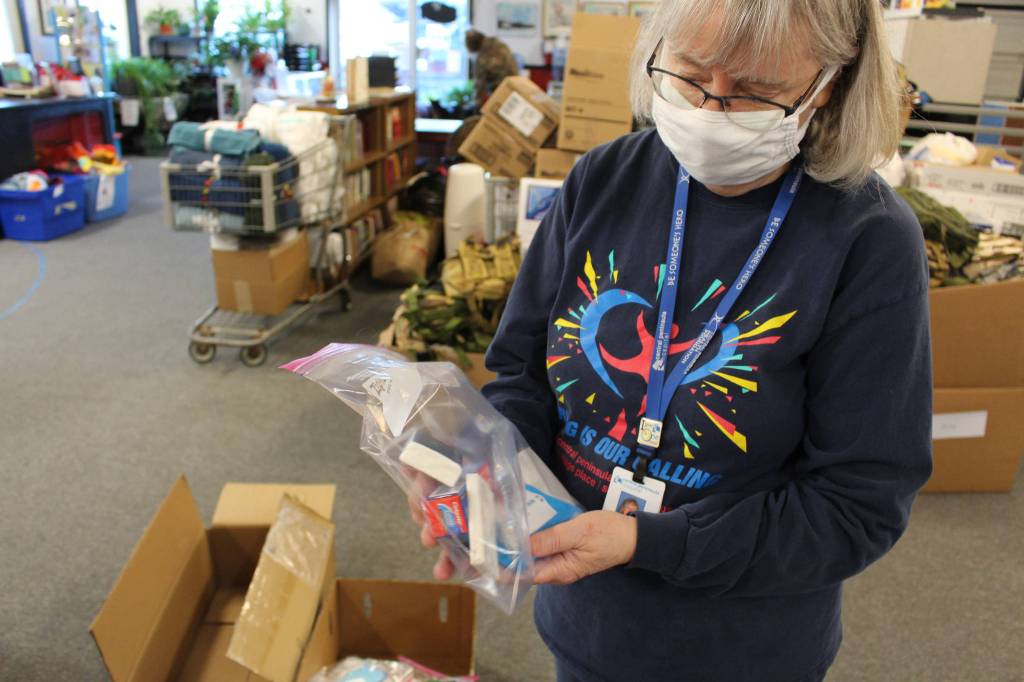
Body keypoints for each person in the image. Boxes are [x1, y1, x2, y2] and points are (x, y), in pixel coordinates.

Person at [423, 1, 932, 680]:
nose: (713, 108)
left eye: (757, 89)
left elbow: (857, 507)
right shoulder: (603, 181)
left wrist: (645, 541)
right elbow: (521, 374)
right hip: (584, 625)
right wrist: (485, 471)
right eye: (690, 75)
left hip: (742, 649)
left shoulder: (868, 241)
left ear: (828, 84)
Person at [465, 29, 520, 108]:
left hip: (501, 92)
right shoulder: (500, 45)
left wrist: (476, 102)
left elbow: (479, 84)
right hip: (516, 86)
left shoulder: (483, 56)